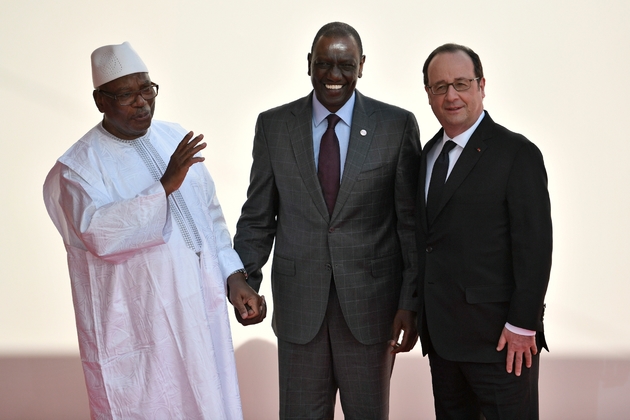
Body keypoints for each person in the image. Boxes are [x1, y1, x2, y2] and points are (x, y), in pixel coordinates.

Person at [42, 42, 265, 420]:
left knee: (210, 403)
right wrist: (163, 186)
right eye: (127, 94)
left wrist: (233, 276)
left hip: (201, 310)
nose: (142, 102)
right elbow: (98, 234)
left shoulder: (173, 138)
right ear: (100, 101)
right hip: (142, 327)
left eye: (147, 89)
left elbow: (210, 217)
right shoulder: (78, 168)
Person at [233, 22, 421, 419]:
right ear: (309, 64)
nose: (334, 75)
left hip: (371, 312)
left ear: (362, 65)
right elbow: (258, 217)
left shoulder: (396, 126)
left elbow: (410, 226)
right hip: (300, 312)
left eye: (345, 65)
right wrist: (245, 280)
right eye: (323, 64)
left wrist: (410, 301)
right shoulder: (274, 126)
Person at [416, 43, 552, 419]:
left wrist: (524, 324)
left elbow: (535, 246)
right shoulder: (426, 156)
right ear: (428, 94)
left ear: (481, 85)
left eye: (461, 83)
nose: (451, 95)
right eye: (440, 86)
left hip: (501, 342)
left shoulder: (516, 153)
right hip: (442, 343)